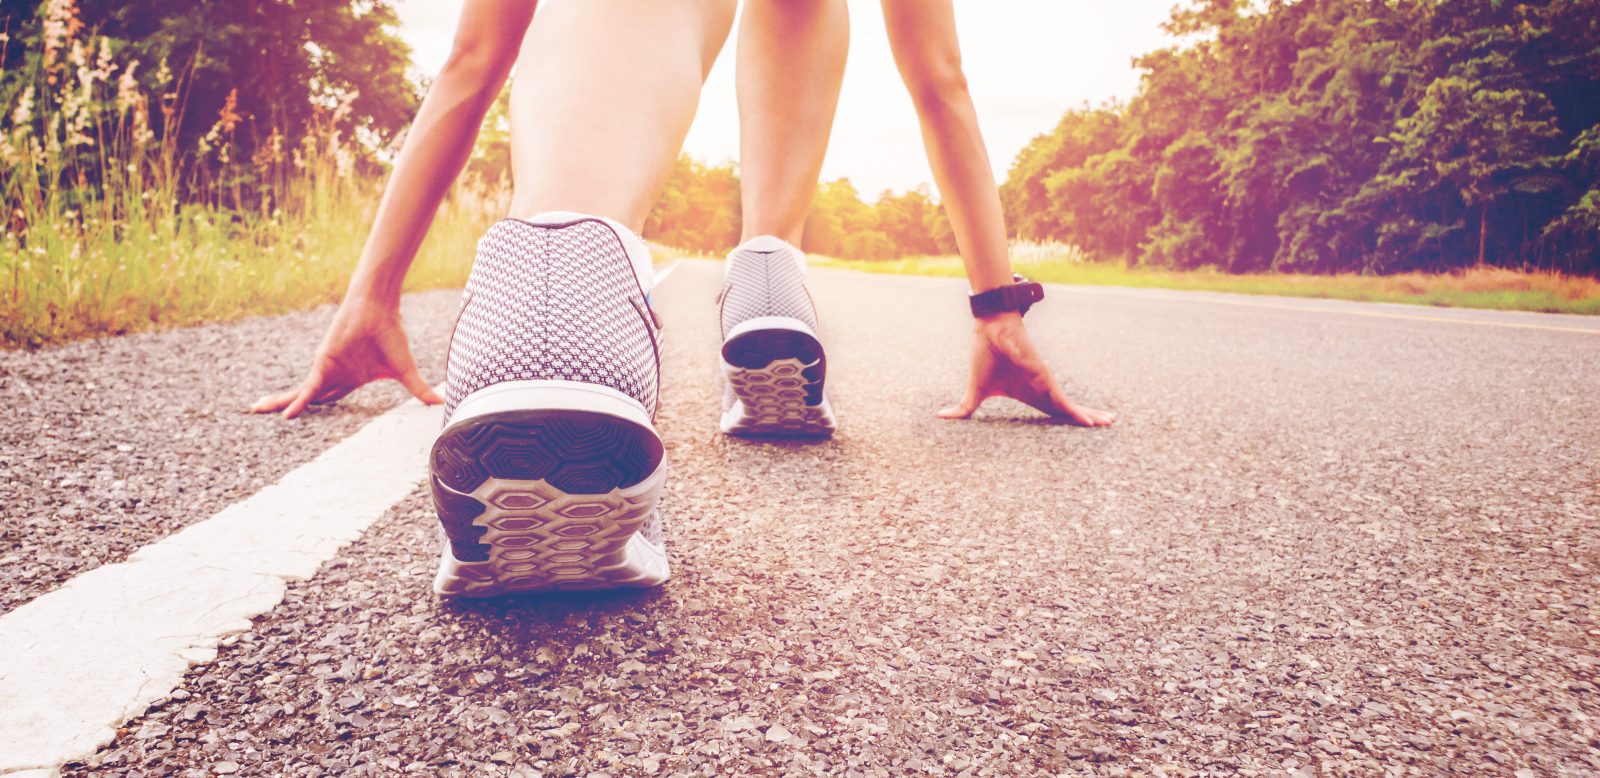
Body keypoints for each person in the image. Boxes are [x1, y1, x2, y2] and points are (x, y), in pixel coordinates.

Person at [253, 0, 1112, 599]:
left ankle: (558, 274)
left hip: (532, 286)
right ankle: (768, 274)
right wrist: (996, 303)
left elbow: (473, 59)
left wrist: (373, 294)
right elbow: (940, 76)